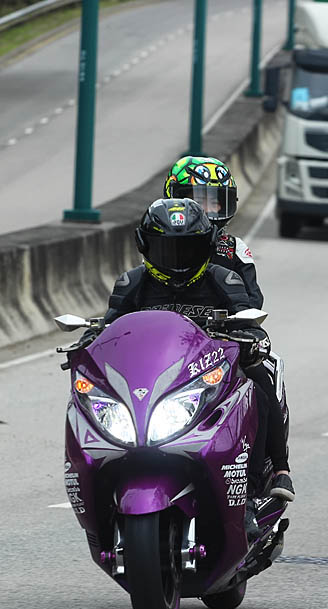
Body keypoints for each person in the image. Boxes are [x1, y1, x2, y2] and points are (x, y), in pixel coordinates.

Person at [87, 199, 294, 536]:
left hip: (207, 375)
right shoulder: (132, 283)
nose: (177, 260)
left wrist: (250, 336)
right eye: (166, 250)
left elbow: (249, 317)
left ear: (207, 247)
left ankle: (264, 482)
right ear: (145, 246)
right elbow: (107, 331)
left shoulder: (224, 280)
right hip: (154, 378)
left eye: (188, 249)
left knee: (259, 380)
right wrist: (87, 341)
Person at [164, 156, 263, 309]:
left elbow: (253, 300)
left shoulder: (235, 248)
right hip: (169, 326)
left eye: (214, 203)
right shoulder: (160, 243)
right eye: (199, 201)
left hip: (216, 329)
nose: (208, 210)